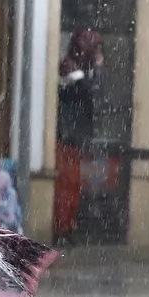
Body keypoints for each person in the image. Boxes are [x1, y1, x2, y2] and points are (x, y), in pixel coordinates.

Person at [54, 28, 105, 243]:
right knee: (67, 185)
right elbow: (88, 91)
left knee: (74, 186)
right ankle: (61, 228)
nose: (99, 54)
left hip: (76, 137)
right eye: (96, 48)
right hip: (67, 137)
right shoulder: (69, 67)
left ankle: (67, 227)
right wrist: (98, 70)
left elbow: (96, 94)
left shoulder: (84, 69)